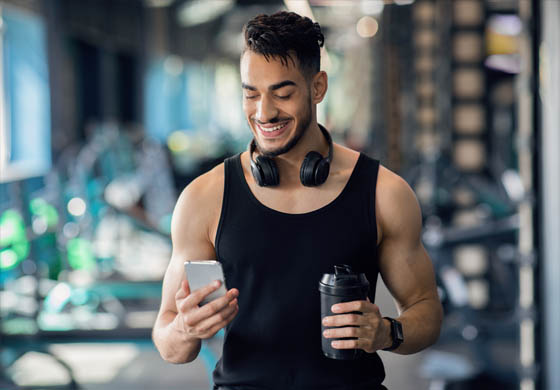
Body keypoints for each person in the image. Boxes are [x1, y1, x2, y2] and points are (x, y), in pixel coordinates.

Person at [152, 11, 443, 390]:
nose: (264, 112)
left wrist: (387, 332)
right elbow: (170, 345)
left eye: (283, 93)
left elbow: (427, 312)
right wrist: (185, 328)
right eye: (251, 93)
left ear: (318, 87)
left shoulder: (383, 193)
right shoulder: (204, 198)